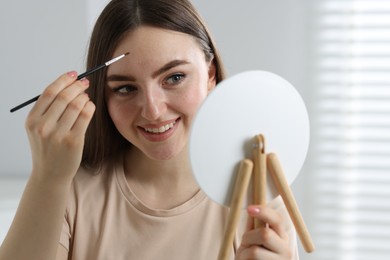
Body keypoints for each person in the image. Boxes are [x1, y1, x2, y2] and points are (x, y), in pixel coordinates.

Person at [0, 0, 298, 259]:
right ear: (102, 95)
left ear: (210, 74)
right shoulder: (69, 191)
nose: (153, 111)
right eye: (126, 88)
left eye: (175, 77)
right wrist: (47, 177)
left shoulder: (256, 197)